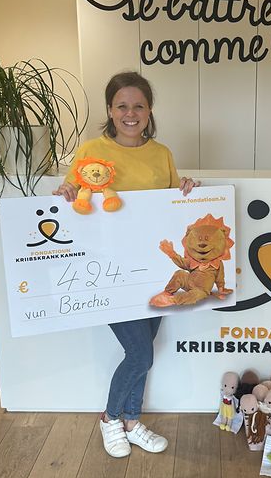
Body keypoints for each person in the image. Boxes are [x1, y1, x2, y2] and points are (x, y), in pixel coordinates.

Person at [54, 71, 199, 458]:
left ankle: (132, 423)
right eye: (122, 106)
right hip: (107, 270)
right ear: (110, 110)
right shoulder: (91, 150)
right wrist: (66, 191)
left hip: (155, 270)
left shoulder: (162, 154)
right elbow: (72, 196)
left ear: (149, 111)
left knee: (143, 349)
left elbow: (173, 206)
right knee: (141, 355)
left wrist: (189, 191)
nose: (130, 113)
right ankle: (110, 418)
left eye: (138, 106)